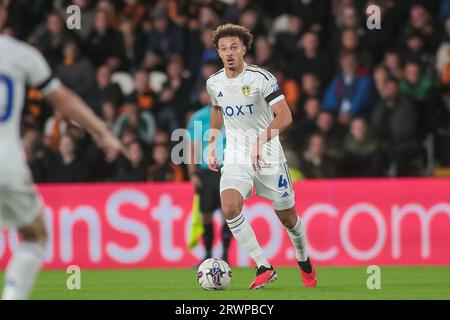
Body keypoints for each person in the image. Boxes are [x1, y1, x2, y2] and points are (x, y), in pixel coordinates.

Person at [0, 34, 124, 300]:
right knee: (35, 236)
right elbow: (62, 98)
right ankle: (12, 295)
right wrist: (101, 130)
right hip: (6, 163)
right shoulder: (21, 54)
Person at [205, 24, 317, 290]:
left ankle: (304, 261)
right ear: (218, 53)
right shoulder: (214, 82)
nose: (229, 53)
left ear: (244, 49)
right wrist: (211, 142)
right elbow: (217, 110)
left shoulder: (260, 78)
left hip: (268, 155)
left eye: (234, 47)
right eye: (223, 49)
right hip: (235, 156)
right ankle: (263, 266)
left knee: (288, 218)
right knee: (230, 207)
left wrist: (259, 141)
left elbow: (285, 116)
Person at [187, 86, 232, 264]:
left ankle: (226, 255)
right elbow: (191, 147)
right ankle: (207, 254)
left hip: (227, 169)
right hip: (205, 171)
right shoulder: (198, 117)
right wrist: (192, 174)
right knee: (205, 214)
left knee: (227, 212)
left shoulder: (230, 114)